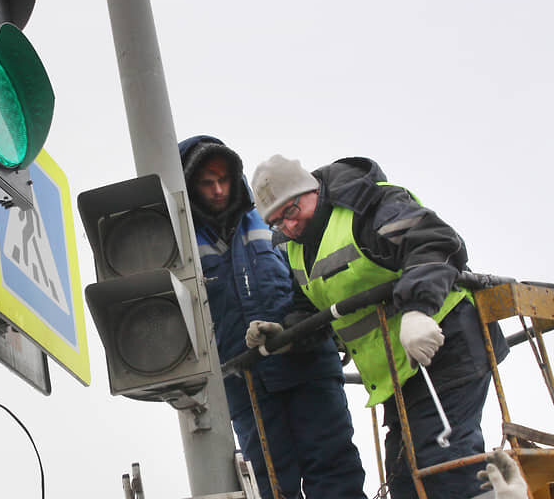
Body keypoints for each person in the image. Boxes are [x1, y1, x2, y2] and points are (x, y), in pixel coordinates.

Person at [249, 154, 509, 499]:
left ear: (311, 191)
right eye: (277, 222)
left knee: (440, 464)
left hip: (447, 344)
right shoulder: (295, 249)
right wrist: (286, 335)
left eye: (291, 212)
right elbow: (310, 309)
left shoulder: (367, 205)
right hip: (399, 370)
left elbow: (433, 242)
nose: (290, 226)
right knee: (405, 482)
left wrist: (418, 310)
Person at [179, 136, 366, 499]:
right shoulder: (180, 245)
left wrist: (306, 326)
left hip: (308, 365)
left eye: (224, 179)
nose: (218, 190)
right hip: (245, 384)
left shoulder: (273, 217)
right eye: (206, 182)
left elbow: (312, 281)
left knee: (334, 468)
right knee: (271, 485)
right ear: (189, 185)